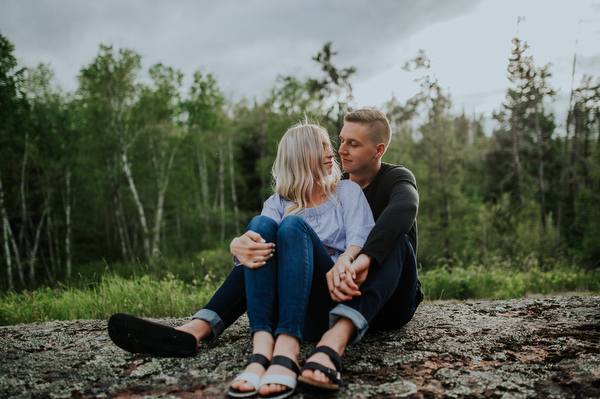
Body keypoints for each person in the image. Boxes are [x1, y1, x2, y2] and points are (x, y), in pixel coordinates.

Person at [108, 109, 422, 395]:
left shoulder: (382, 181)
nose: (339, 151)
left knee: (391, 233)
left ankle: (322, 346)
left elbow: (401, 210)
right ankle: (199, 331)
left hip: (381, 294)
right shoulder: (304, 193)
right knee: (270, 227)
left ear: (378, 150)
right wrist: (238, 243)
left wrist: (353, 258)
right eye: (338, 142)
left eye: (351, 144)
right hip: (320, 299)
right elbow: (260, 235)